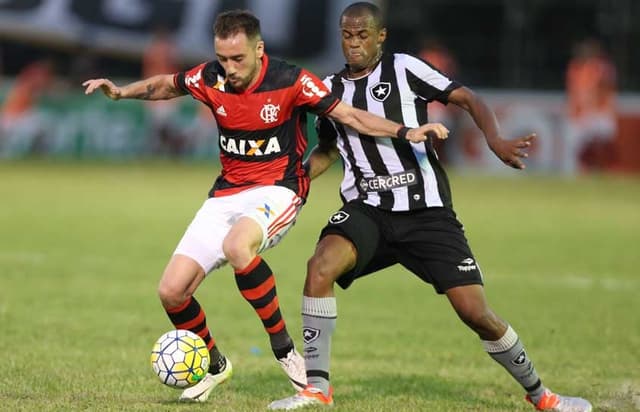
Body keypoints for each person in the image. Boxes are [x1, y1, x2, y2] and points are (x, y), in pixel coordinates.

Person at [83, 9, 447, 403]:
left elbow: (350, 116)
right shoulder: (210, 77)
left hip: (278, 189)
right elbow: (166, 86)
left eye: (237, 59)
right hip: (225, 193)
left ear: (259, 49)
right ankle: (214, 366)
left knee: (238, 247)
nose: (229, 67)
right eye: (222, 58)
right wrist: (121, 91)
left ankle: (287, 352)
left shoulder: (291, 80)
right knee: (171, 292)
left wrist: (406, 131)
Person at [268, 3, 591, 411]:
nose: (353, 43)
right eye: (347, 35)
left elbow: (467, 97)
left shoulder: (405, 68)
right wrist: (289, 182)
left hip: (427, 214)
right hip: (367, 208)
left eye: (362, 35)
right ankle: (317, 389)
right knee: (319, 268)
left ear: (380, 36)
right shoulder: (329, 89)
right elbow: (330, 148)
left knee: (476, 313)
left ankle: (542, 395)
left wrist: (493, 139)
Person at [565, 38, 618, 173]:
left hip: (598, 111)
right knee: (579, 145)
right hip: (580, 113)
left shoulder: (601, 68)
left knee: (600, 144)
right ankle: (584, 170)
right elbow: (574, 92)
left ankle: (603, 169)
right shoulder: (575, 67)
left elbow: (606, 88)